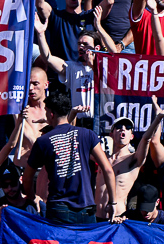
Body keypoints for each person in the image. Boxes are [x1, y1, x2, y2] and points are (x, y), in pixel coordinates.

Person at [27, 87, 112, 225]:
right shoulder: (88, 134)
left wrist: (31, 199)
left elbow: (27, 177)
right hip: (86, 208)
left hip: (58, 208)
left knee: (59, 240)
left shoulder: (43, 141)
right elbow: (108, 170)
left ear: (51, 114)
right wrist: (113, 202)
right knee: (87, 240)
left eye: (46, 111)